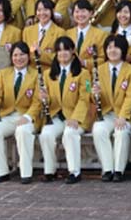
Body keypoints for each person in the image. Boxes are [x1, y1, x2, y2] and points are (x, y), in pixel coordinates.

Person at [30, 37, 91, 184]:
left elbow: (85, 99)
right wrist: (44, 98)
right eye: (59, 50)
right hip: (56, 116)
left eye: (66, 50)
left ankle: (74, 172)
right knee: (46, 134)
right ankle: (49, 171)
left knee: (70, 133)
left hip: (76, 116)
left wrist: (76, 118)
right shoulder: (47, 74)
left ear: (73, 51)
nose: (62, 53)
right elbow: (45, 101)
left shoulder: (83, 73)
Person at [0, 41, 38, 183]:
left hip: (28, 116)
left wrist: (27, 116)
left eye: (22, 55)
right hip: (8, 115)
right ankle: (1, 171)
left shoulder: (36, 74)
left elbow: (38, 101)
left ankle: (26, 173)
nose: (19, 58)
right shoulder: (4, 74)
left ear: (28, 56)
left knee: (23, 131)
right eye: (15, 55)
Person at [90, 35, 131, 182]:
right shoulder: (98, 70)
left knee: (121, 132)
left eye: (116, 47)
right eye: (109, 47)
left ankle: (118, 170)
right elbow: (92, 98)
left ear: (123, 50)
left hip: (124, 114)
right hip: (106, 114)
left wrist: (123, 116)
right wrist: (94, 94)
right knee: (98, 130)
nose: (112, 50)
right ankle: (107, 169)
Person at [22, 0, 66, 69]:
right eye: (39, 10)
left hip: (49, 72)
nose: (42, 13)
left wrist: (41, 54)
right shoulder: (27, 31)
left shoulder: (60, 32)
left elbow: (61, 58)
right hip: (30, 72)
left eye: (45, 10)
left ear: (52, 11)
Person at [66, 0, 108, 71]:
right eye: (77, 11)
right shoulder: (67, 33)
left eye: (83, 11)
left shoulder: (101, 34)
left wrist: (85, 63)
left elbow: (103, 59)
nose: (80, 14)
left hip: (90, 74)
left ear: (91, 13)